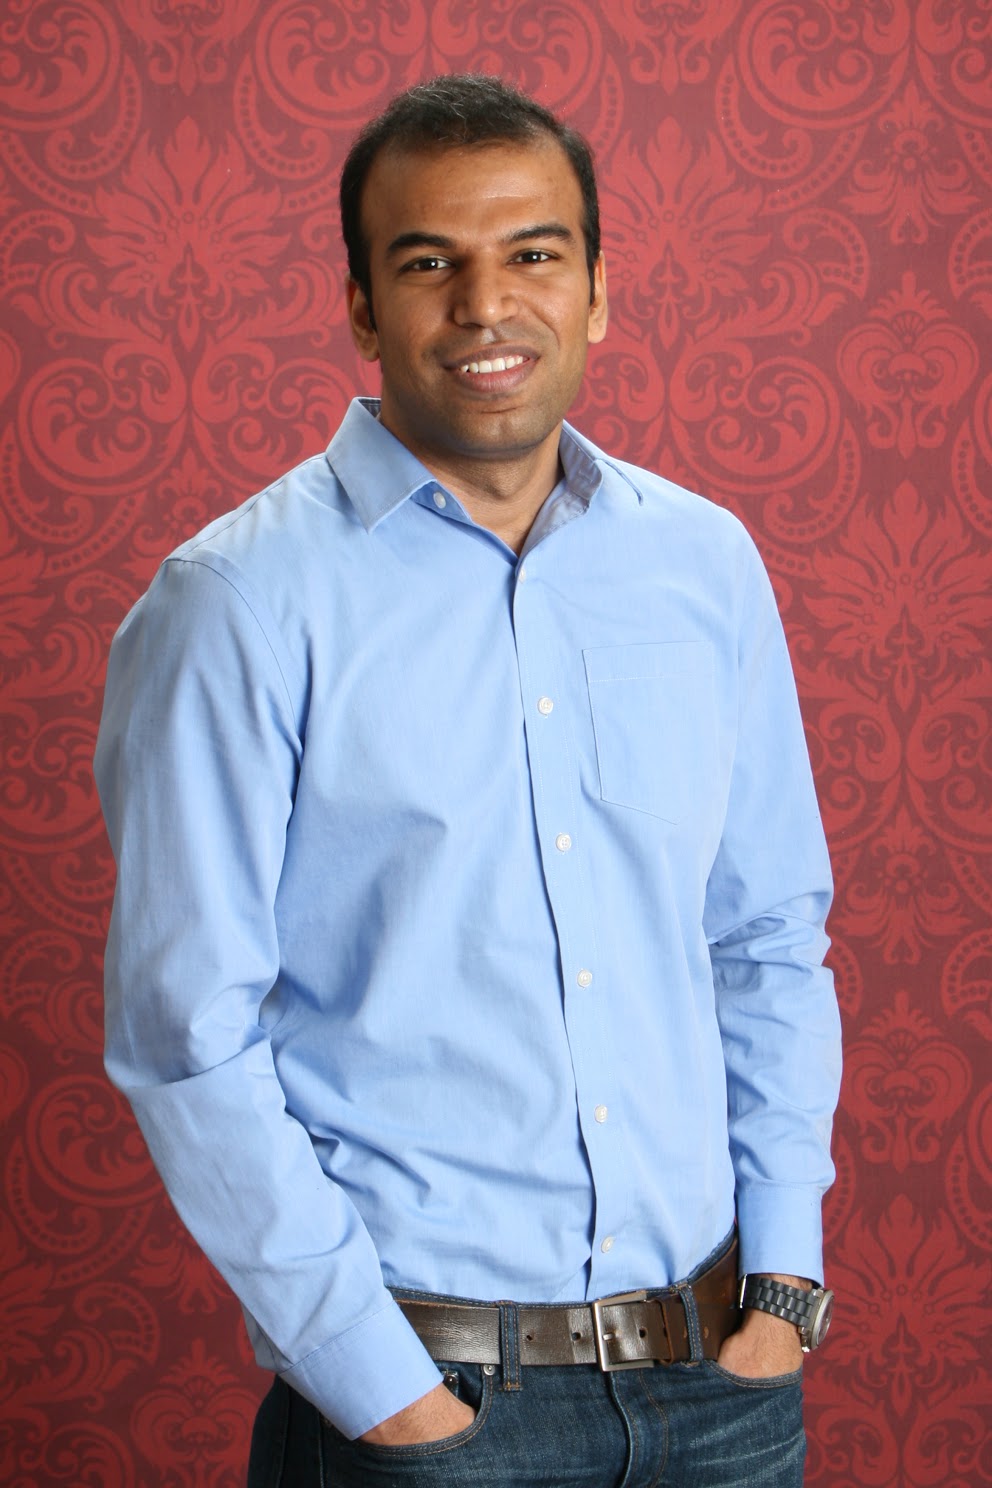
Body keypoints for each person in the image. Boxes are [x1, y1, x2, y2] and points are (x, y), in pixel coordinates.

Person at [95, 74, 842, 1488]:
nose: (486, 306)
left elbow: (764, 938)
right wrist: (381, 1391)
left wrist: (785, 1282)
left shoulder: (704, 567)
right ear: (363, 307)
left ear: (598, 291)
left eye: (533, 254)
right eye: (429, 263)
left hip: (721, 1391)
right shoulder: (234, 604)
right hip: (427, 1408)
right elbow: (189, 1031)